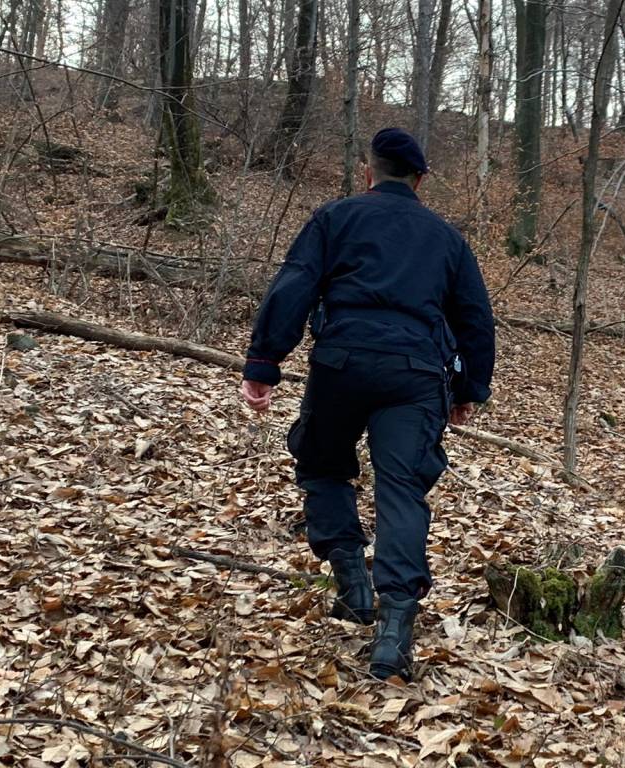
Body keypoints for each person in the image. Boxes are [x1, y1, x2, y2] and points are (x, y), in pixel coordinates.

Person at [240, 128, 495, 679]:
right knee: (401, 489)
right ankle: (394, 629)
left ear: (368, 172)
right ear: (420, 180)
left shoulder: (336, 218)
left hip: (342, 364)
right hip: (415, 375)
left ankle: (351, 579)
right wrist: (470, 388)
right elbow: (475, 317)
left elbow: (296, 285)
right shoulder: (447, 239)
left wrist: (264, 363)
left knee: (322, 465)